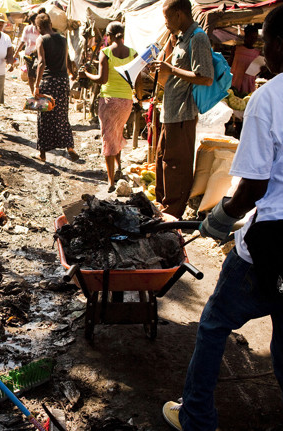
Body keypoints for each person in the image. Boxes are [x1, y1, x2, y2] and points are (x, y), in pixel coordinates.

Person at [162, 6, 283, 430]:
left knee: (213, 324)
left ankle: (196, 416)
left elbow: (253, 189)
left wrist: (216, 219)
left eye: (265, 42)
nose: (264, 52)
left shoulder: (269, 97)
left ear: (279, 44)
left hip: (272, 243)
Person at [153, 0, 213, 219]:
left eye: (167, 18)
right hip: (170, 112)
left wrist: (172, 69)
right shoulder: (180, 38)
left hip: (183, 113)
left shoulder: (198, 37)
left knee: (177, 165)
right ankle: (162, 207)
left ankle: (172, 214)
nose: (166, 23)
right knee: (163, 160)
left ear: (179, 15)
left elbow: (205, 77)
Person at [79, 21, 142, 193]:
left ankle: (111, 181)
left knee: (108, 137)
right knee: (118, 132)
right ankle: (119, 167)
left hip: (109, 100)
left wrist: (86, 74)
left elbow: (102, 79)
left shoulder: (105, 53)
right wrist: (140, 97)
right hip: (126, 101)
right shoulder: (133, 53)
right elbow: (138, 78)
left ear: (108, 35)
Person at [33, 12, 79, 163]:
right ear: (50, 24)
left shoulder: (41, 39)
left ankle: (42, 154)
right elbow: (67, 60)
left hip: (48, 82)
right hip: (62, 81)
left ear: (39, 27)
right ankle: (70, 146)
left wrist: (36, 85)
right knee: (61, 115)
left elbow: (41, 62)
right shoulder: (63, 39)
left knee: (44, 117)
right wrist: (71, 74)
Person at [229, 24, 261, 94]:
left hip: (249, 86)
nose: (253, 39)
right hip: (234, 83)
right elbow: (229, 64)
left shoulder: (257, 53)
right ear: (246, 36)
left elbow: (258, 70)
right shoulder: (236, 49)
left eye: (255, 37)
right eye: (251, 37)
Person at [13, 12, 39, 93]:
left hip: (38, 55)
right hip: (29, 55)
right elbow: (23, 41)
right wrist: (16, 53)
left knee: (37, 75)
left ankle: (37, 92)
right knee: (30, 76)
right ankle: (33, 93)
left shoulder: (41, 29)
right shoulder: (27, 29)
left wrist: (16, 53)